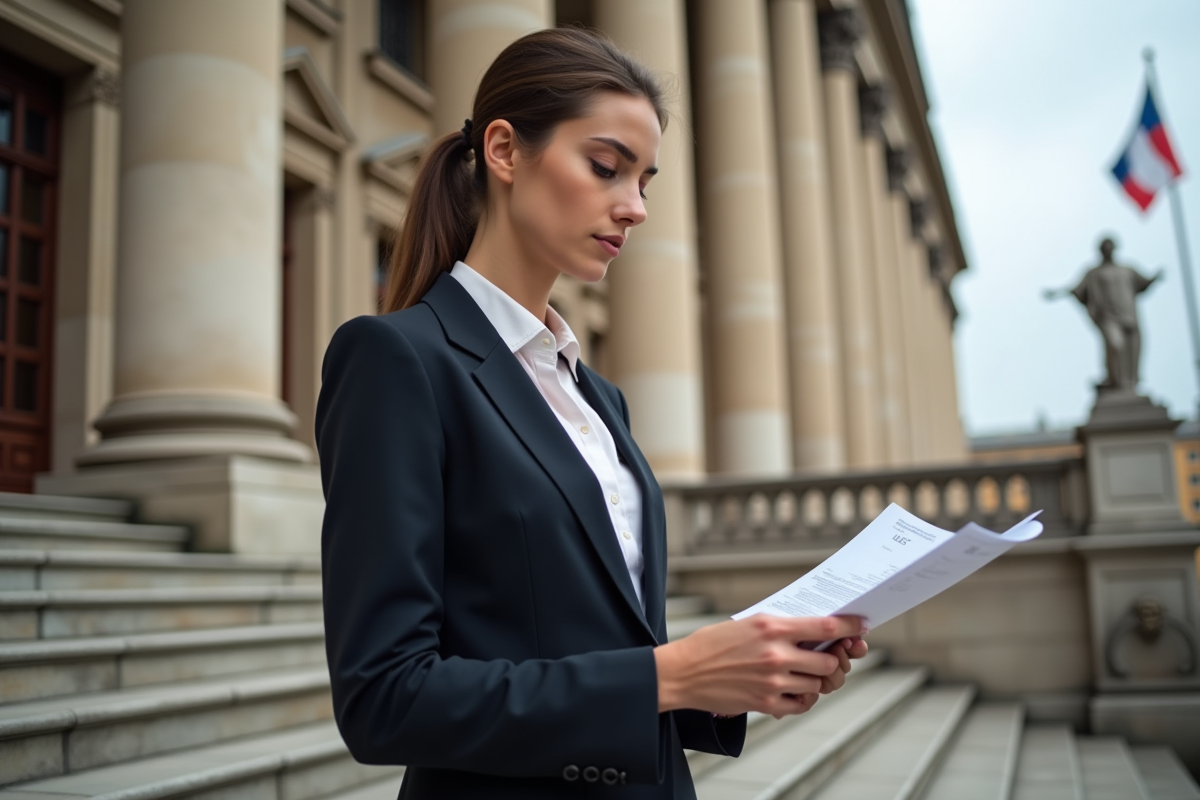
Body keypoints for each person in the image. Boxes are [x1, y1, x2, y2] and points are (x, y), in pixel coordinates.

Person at [316, 28, 867, 800]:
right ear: (505, 151)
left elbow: (603, 641)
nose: (635, 208)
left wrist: (735, 675)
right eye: (606, 167)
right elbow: (385, 698)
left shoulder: (597, 396)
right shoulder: (395, 360)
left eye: (645, 181)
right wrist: (668, 673)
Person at [1044, 237, 1162, 391]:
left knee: (1132, 352)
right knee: (1115, 345)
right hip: (1108, 318)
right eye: (1104, 247)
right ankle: (1114, 379)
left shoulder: (1127, 270)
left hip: (1129, 317)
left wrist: (1155, 278)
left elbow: (1144, 283)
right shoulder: (1094, 273)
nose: (1108, 250)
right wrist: (1057, 293)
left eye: (1110, 246)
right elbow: (1078, 289)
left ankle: (1125, 385)